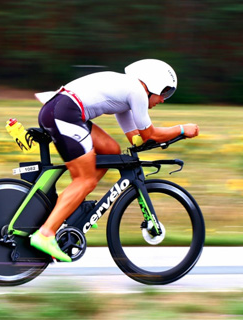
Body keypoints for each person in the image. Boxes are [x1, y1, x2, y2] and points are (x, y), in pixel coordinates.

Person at [30, 59, 199, 262]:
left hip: (62, 110)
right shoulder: (137, 91)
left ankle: (72, 206)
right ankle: (46, 233)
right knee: (85, 180)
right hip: (65, 113)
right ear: (153, 83)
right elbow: (149, 134)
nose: (163, 99)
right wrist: (182, 129)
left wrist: (164, 138)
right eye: (165, 92)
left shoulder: (127, 96)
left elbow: (135, 139)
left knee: (111, 149)